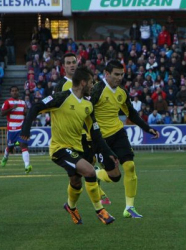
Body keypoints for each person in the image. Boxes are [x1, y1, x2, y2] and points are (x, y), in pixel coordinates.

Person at [20, 67, 119, 225]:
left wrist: (109, 152)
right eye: (91, 83)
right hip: (59, 149)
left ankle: (70, 207)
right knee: (89, 171)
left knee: (76, 182)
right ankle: (100, 211)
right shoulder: (61, 98)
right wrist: (25, 131)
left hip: (76, 149)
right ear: (83, 83)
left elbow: (95, 133)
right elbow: (36, 107)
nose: (93, 86)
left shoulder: (88, 105)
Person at [90, 60, 159, 218]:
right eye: (116, 74)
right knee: (114, 177)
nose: (119, 77)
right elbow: (86, 111)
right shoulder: (97, 90)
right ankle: (97, 174)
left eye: (121, 74)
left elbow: (132, 114)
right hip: (100, 139)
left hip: (118, 133)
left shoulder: (122, 92)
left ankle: (129, 207)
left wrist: (147, 128)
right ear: (107, 74)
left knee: (130, 166)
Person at [54, 52, 110, 205]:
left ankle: (96, 194)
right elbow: (57, 108)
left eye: (74, 62)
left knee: (88, 165)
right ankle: (96, 197)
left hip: (89, 132)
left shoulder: (86, 83)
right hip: (74, 136)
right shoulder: (61, 85)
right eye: (68, 63)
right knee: (81, 172)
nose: (72, 65)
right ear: (63, 66)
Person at [0, 86, 32, 174]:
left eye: (16, 91)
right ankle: (5, 157)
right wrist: (12, 108)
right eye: (13, 91)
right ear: (10, 93)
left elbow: (25, 114)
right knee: (10, 148)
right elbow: (2, 113)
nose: (14, 92)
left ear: (18, 92)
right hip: (11, 129)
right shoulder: (7, 102)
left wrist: (26, 113)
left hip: (21, 129)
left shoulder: (23, 102)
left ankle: (27, 165)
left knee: (23, 146)